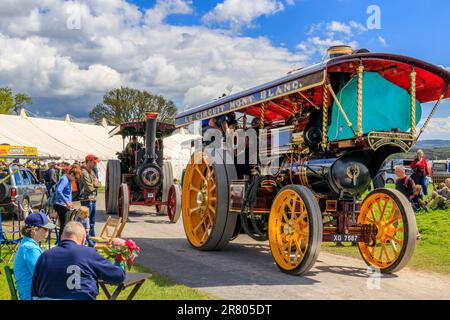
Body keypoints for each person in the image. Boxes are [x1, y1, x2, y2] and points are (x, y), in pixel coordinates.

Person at [31, 221, 125, 300]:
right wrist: (121, 259)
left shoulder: (43, 257)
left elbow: (34, 292)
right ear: (84, 241)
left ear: (61, 238)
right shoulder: (88, 253)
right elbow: (118, 276)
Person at [13, 212, 56, 300]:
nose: (48, 232)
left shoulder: (28, 245)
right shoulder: (30, 248)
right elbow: (42, 276)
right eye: (46, 229)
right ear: (35, 230)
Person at [53, 165, 82, 236]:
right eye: (75, 178)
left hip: (65, 205)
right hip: (61, 205)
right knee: (64, 225)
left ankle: (61, 241)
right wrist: (67, 202)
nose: (75, 180)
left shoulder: (68, 180)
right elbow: (59, 191)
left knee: (65, 224)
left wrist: (70, 202)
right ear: (72, 174)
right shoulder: (64, 179)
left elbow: (67, 193)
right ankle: (61, 242)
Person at [78, 154, 101, 237]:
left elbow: (99, 183)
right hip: (86, 200)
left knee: (91, 223)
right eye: (94, 162)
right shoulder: (84, 172)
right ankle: (88, 242)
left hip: (92, 199)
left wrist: (95, 184)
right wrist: (95, 184)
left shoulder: (91, 171)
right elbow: (89, 188)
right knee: (86, 223)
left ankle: (92, 241)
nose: (95, 164)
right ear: (89, 162)